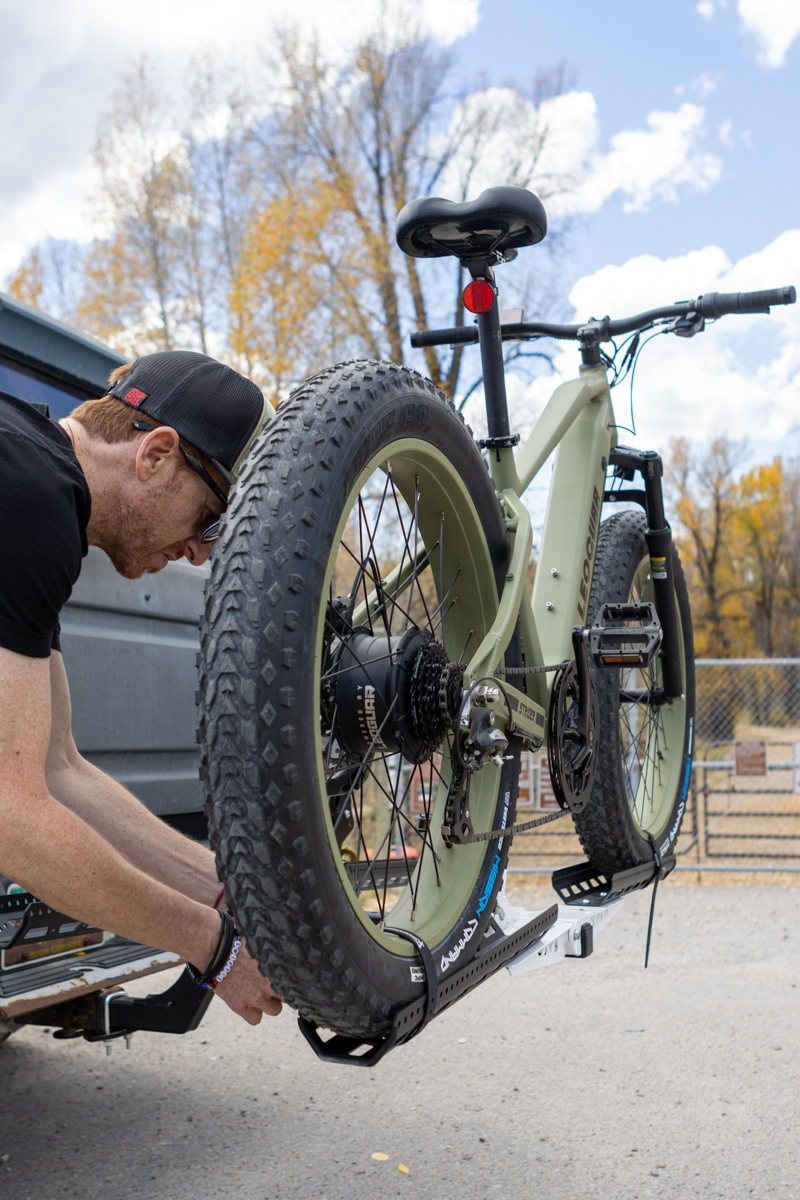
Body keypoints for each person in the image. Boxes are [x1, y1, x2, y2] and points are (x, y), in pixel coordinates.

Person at [0, 350, 283, 1023]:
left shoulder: (35, 479)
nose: (201, 552)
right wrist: (213, 947)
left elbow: (59, 770)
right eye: (211, 518)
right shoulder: (26, 494)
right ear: (155, 454)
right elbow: (13, 819)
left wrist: (223, 894)